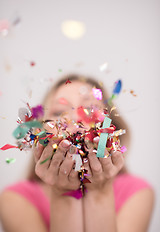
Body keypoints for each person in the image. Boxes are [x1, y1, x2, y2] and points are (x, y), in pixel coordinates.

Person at [0, 74, 154, 232]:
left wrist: (99, 190)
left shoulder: (136, 191)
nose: (74, 118)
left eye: (89, 110)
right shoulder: (16, 198)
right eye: (59, 112)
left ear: (111, 128)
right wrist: (63, 191)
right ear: (41, 133)